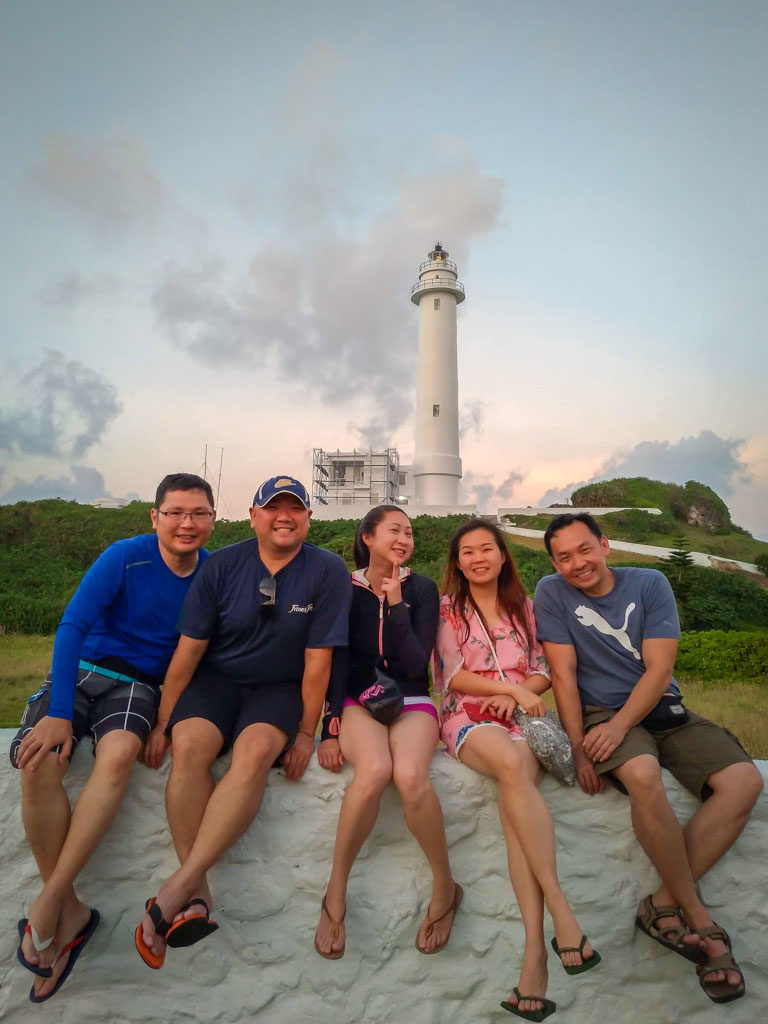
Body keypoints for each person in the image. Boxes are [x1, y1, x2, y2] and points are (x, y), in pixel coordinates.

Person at [534, 512, 763, 1005]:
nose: (577, 563)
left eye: (585, 549)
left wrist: (621, 726)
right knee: (642, 772)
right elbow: (563, 676)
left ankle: (661, 904)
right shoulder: (551, 593)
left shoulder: (650, 583)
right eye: (564, 557)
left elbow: (660, 669)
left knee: (745, 781)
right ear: (553, 563)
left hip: (662, 706)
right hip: (600, 712)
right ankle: (699, 918)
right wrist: (579, 747)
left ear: (605, 544)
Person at [11, 472, 215, 1002]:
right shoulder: (126, 556)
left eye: (199, 513)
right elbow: (72, 625)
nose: (187, 523)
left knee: (120, 751)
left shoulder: (213, 573)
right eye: (175, 512)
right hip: (81, 670)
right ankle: (67, 908)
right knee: (39, 760)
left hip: (139, 685)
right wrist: (59, 712)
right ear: (155, 516)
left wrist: (168, 722)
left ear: (213, 520)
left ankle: (51, 904)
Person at [137, 474, 351, 968]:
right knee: (190, 746)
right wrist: (164, 720)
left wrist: (306, 732)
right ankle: (196, 892)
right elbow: (189, 650)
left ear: (308, 518)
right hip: (217, 681)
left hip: (279, 688)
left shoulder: (326, 569)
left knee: (253, 753)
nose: (284, 517)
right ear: (253, 516)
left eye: (295, 508)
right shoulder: (222, 566)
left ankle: (174, 891)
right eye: (272, 508)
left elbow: (318, 662)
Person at [434, 519, 600, 1022]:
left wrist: (520, 693)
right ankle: (562, 913)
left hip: (523, 718)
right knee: (511, 765)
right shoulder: (447, 608)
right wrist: (508, 690)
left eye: (487, 548)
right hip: (468, 716)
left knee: (516, 797)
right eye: (467, 552)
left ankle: (534, 955)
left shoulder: (526, 607)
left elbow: (544, 668)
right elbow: (453, 673)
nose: (478, 558)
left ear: (503, 555)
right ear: (458, 563)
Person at [313, 505, 459, 960]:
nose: (404, 539)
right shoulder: (344, 588)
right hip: (359, 699)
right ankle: (335, 891)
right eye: (394, 530)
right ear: (368, 537)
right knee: (374, 771)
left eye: (409, 533)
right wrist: (330, 727)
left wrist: (396, 605)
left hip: (411, 698)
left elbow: (416, 663)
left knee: (410, 776)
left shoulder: (422, 588)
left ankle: (445, 885)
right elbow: (338, 658)